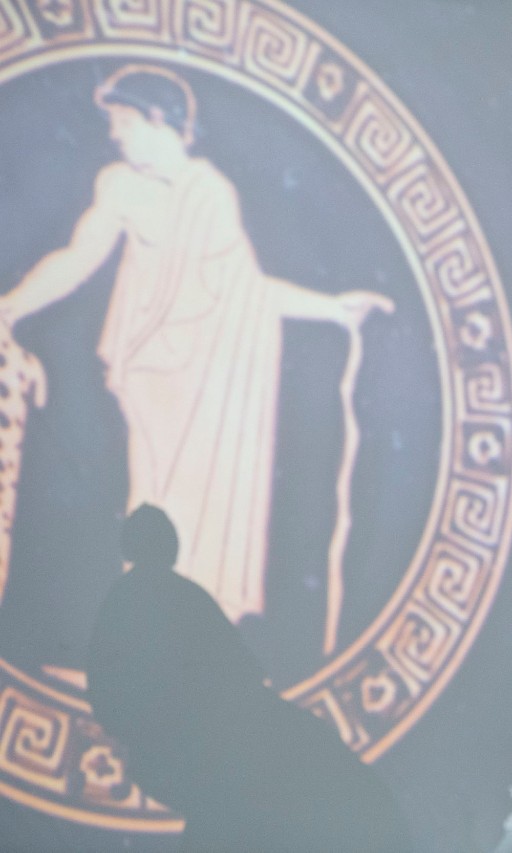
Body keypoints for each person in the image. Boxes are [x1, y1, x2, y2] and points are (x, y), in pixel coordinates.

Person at [0, 64, 391, 625]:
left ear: (159, 119)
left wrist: (331, 308)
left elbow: (246, 290)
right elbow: (79, 257)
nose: (115, 134)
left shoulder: (209, 193)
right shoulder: (120, 184)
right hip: (150, 374)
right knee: (152, 504)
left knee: (196, 513)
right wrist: (13, 305)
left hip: (208, 382)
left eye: (125, 121)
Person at [86, 504, 411, 851]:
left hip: (201, 739)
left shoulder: (144, 600)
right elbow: (234, 668)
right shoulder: (170, 597)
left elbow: (230, 666)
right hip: (201, 739)